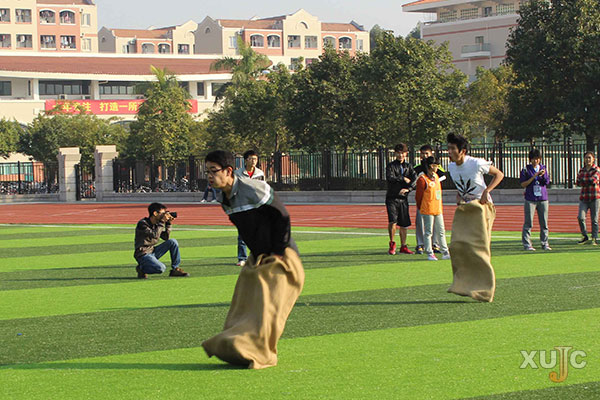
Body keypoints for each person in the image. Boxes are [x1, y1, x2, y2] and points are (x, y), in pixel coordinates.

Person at [201, 150, 304, 369]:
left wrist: (278, 252)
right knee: (243, 305)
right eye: (206, 171)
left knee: (269, 310)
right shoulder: (222, 196)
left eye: (213, 171)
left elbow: (282, 216)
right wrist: (257, 255)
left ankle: (262, 354)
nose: (209, 176)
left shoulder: (252, 188)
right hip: (258, 257)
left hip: (281, 257)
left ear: (229, 171)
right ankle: (234, 347)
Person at [446, 133, 504, 302]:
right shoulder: (451, 167)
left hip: (482, 208)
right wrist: (459, 194)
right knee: (459, 246)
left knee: (480, 248)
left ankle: (485, 290)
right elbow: (462, 185)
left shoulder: (476, 163)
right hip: (467, 207)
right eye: (448, 148)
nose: (449, 151)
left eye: (452, 149)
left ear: (462, 151)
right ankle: (464, 286)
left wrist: (487, 191)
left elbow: (499, 174)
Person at [134, 202, 189, 279]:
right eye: (162, 213)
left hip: (153, 251)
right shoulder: (143, 224)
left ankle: (175, 269)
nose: (164, 215)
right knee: (161, 268)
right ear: (155, 213)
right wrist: (162, 222)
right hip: (143, 254)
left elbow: (166, 237)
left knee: (173, 242)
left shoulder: (157, 224)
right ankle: (141, 268)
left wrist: (168, 224)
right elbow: (155, 235)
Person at [413, 144, 447, 254]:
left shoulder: (436, 168)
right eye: (422, 154)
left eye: (426, 153)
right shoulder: (418, 168)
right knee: (420, 222)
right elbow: (414, 180)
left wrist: (434, 182)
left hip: (434, 201)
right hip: (424, 200)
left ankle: (435, 244)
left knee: (437, 226)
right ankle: (420, 244)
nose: (424, 156)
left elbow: (443, 176)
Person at [234, 150, 265, 266]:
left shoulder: (260, 173)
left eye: (255, 159)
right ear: (246, 160)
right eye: (251, 159)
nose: (253, 161)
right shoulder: (238, 174)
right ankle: (242, 258)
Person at [385, 143, 416, 255]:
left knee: (404, 223)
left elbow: (414, 179)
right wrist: (402, 178)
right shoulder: (391, 166)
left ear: (406, 154)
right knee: (393, 221)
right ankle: (392, 244)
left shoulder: (409, 166)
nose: (400, 155)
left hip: (403, 199)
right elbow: (390, 178)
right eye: (398, 153)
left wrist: (409, 189)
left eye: (402, 153)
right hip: (392, 198)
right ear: (395, 154)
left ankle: (403, 245)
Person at [520, 149, 551, 251]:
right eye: (533, 159)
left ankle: (545, 243)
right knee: (528, 222)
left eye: (537, 159)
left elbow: (546, 182)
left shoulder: (543, 168)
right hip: (530, 199)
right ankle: (527, 244)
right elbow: (523, 184)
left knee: (544, 223)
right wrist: (534, 176)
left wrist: (542, 175)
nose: (535, 161)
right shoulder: (525, 170)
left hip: (542, 198)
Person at [576, 151, 600, 245]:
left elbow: (593, 180)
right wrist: (586, 181)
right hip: (584, 197)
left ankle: (594, 238)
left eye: (589, 158)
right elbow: (578, 182)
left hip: (595, 197)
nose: (588, 160)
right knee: (580, 217)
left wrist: (584, 181)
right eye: (586, 158)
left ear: (593, 159)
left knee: (594, 219)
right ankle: (585, 235)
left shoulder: (596, 169)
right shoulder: (581, 170)